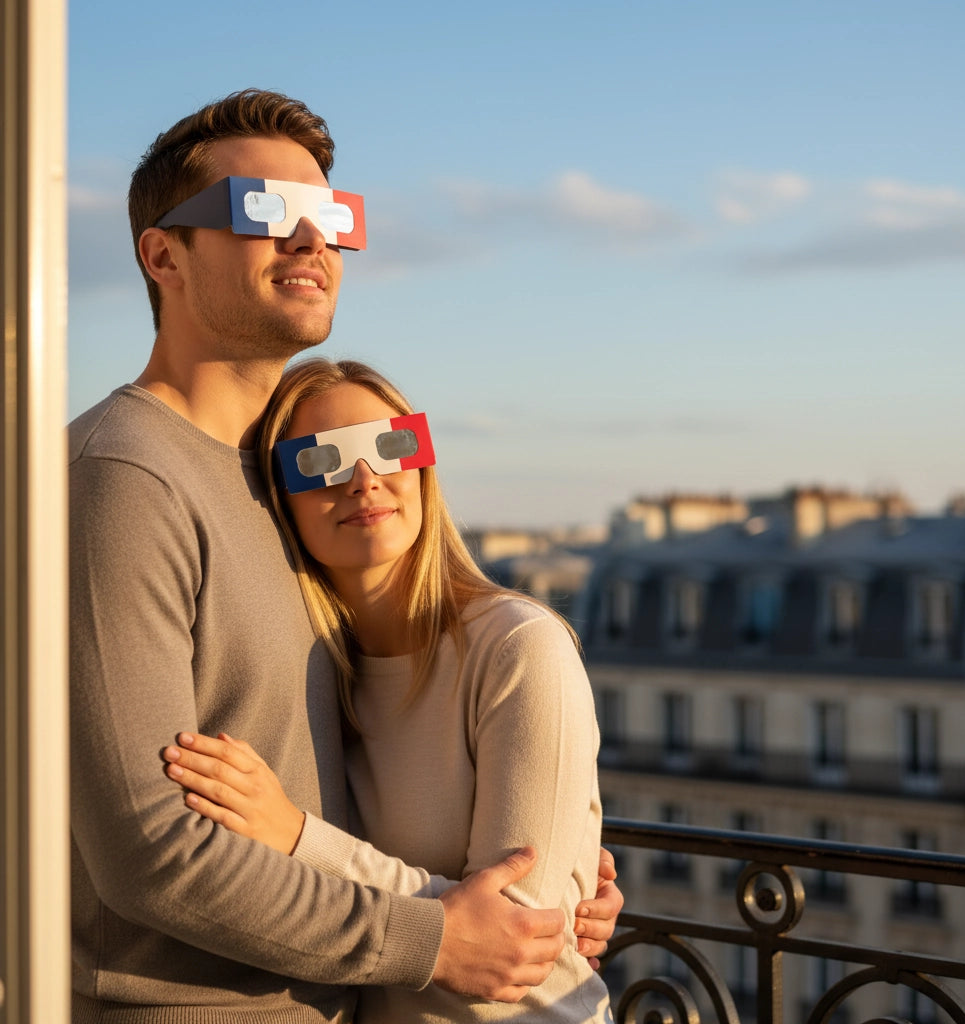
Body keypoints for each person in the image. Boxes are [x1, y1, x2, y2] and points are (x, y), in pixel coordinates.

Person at [68, 88, 620, 1024]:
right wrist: (439, 934)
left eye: (331, 216)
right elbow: (150, 852)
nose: (311, 240)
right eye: (265, 212)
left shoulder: (279, 481)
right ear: (163, 254)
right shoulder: (126, 475)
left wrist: (543, 887)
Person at [161, 358, 614, 1023]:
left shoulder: (518, 648)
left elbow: (513, 949)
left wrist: (295, 838)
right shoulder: (308, 670)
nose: (365, 478)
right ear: (274, 498)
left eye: (392, 444)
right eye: (320, 461)